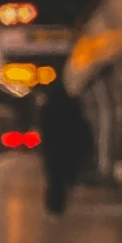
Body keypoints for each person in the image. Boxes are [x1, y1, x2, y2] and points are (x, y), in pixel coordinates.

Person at [32, 77, 91, 217]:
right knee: (64, 177)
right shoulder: (73, 105)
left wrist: (44, 149)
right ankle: (59, 205)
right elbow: (82, 129)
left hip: (53, 152)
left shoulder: (47, 108)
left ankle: (54, 206)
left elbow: (44, 130)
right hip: (69, 150)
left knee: (54, 179)